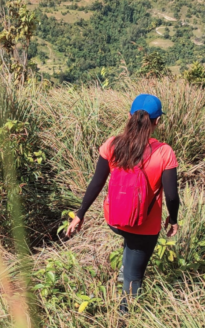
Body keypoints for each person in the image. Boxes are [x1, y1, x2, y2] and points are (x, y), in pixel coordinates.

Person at [66, 93, 179, 312]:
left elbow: (96, 183)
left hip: (115, 219)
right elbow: (172, 196)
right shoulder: (164, 152)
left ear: (129, 116)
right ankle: (124, 320)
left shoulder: (112, 145)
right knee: (134, 278)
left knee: (128, 241)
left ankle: (124, 270)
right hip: (144, 226)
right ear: (157, 121)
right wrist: (173, 219)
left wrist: (80, 213)